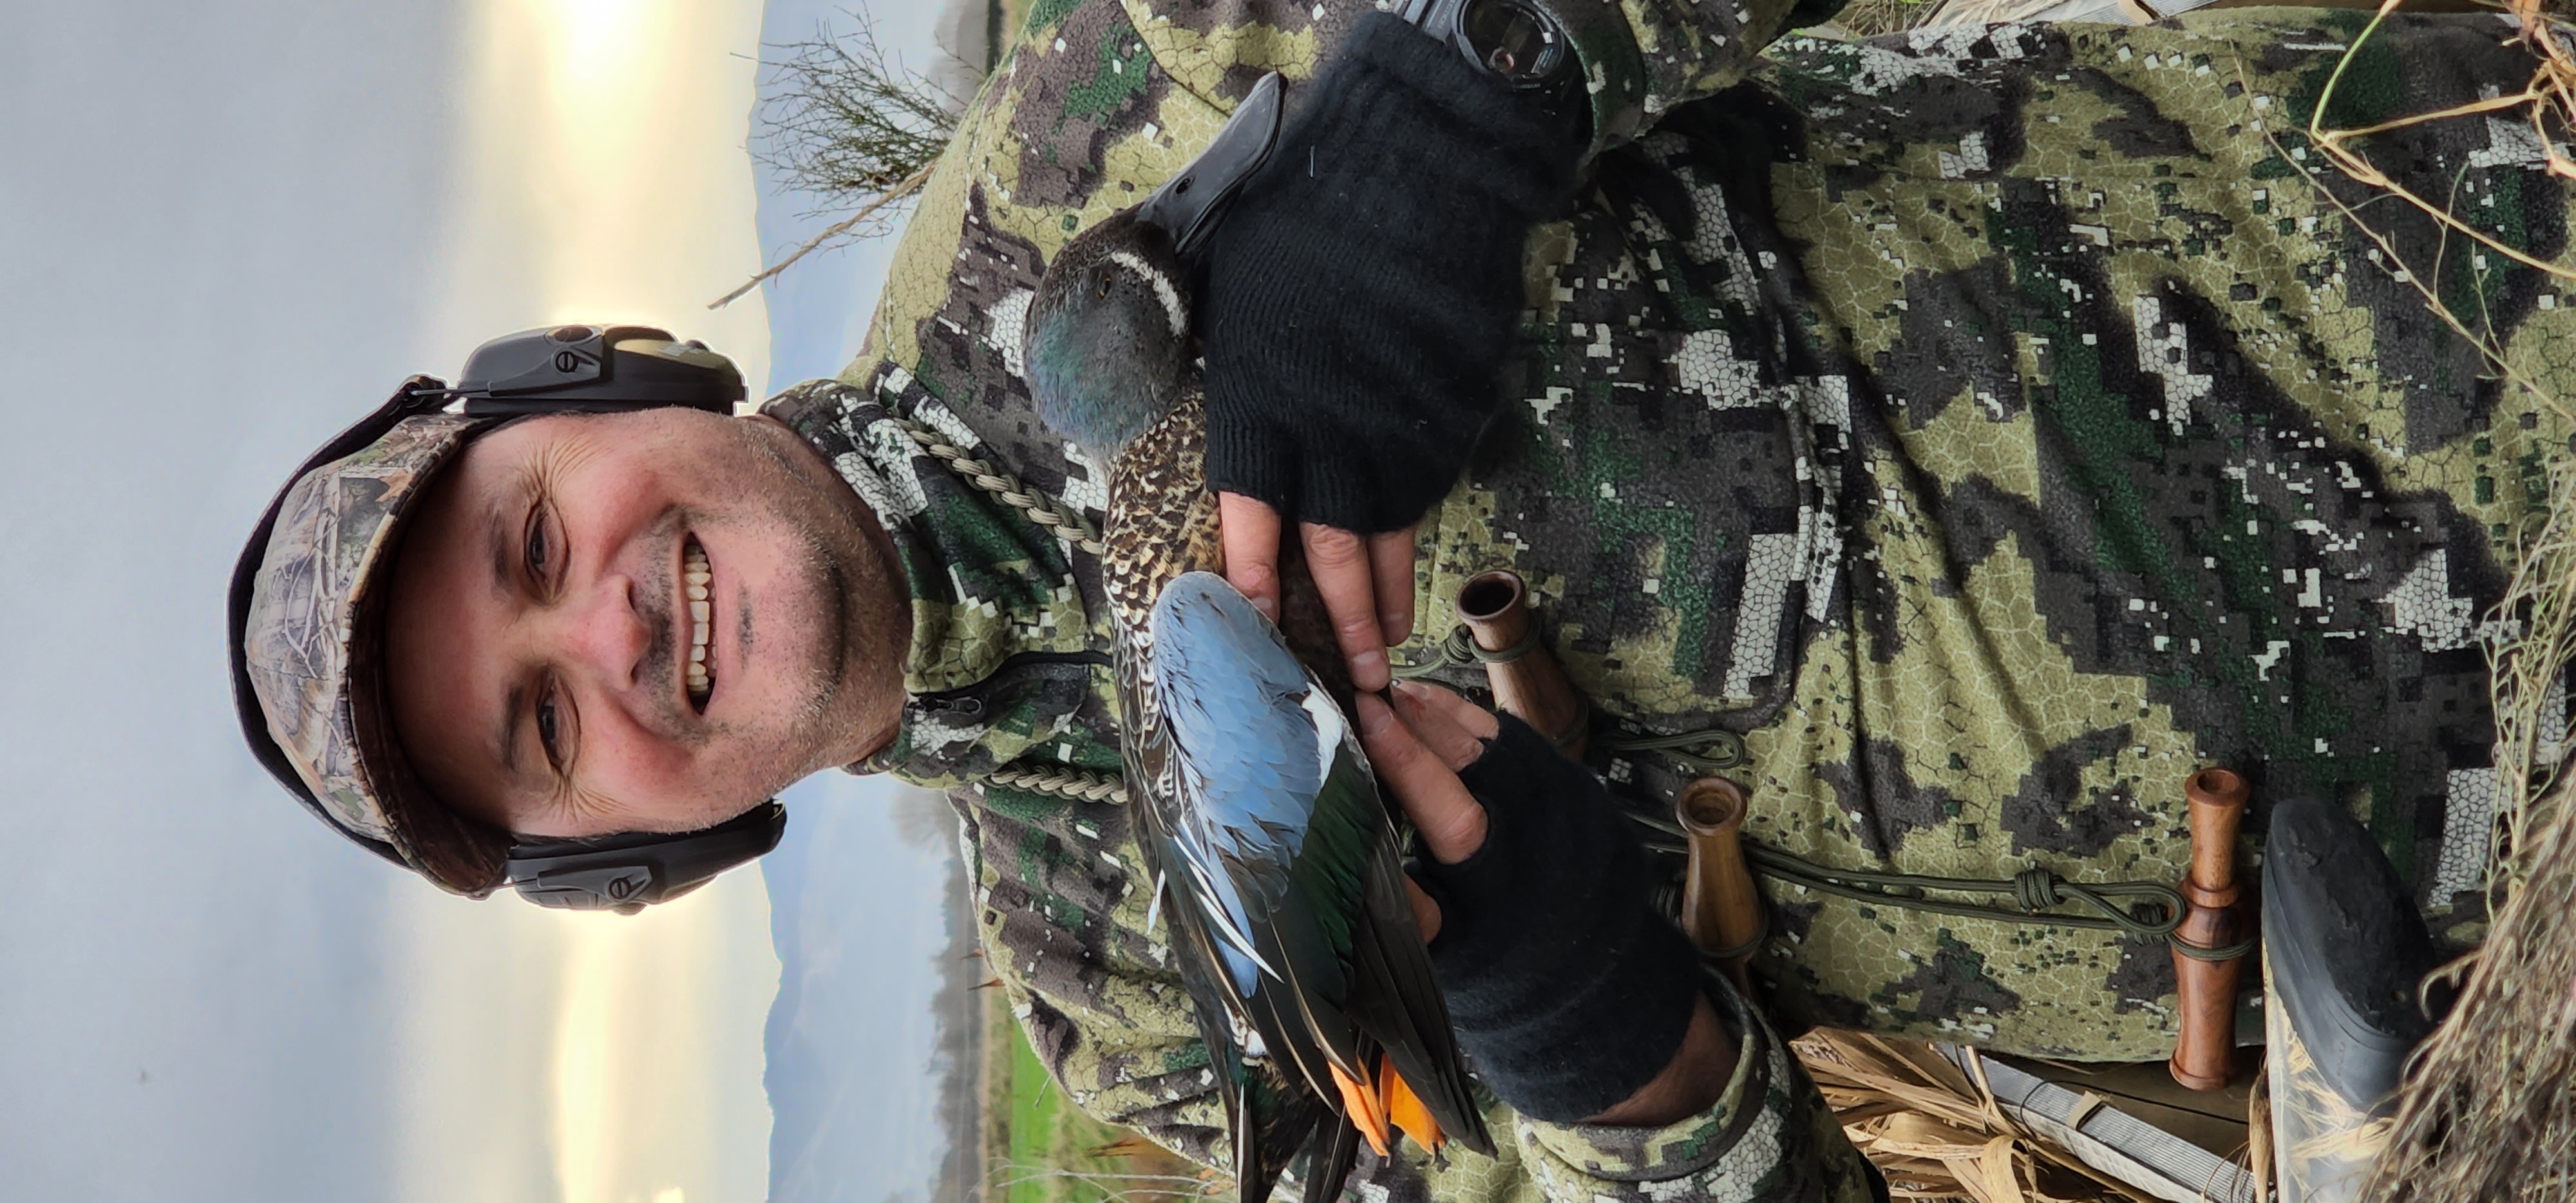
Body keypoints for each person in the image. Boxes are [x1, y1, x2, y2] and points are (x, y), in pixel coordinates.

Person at [227, 0, 2576, 1198]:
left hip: (2493, 286)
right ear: (652, 855)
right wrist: (1601, 1041)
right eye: (545, 727)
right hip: (2474, 936)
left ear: (615, 378)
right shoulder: (1125, 1009)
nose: (610, 631)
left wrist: (1470, 79)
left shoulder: (1104, 115)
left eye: (534, 541)